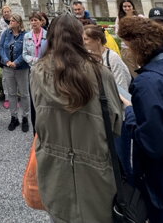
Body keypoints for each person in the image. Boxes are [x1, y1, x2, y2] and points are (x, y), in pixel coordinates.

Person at [30, 14, 123, 223]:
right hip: (95, 166)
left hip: (53, 165)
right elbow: (117, 122)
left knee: (59, 215)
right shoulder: (100, 72)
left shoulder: (38, 71)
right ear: (79, 37)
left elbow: (36, 116)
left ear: (51, 37)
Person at [118, 16, 163, 223]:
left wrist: (131, 112)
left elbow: (153, 143)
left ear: (139, 46)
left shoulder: (147, 83)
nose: (126, 52)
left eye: (127, 46)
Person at [0, 14, 30, 132]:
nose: (10, 22)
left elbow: (26, 50)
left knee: (24, 93)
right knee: (11, 93)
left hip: (21, 67)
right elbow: (1, 48)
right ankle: (14, 117)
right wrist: (7, 61)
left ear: (18, 22)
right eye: (10, 20)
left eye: (13, 20)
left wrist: (16, 62)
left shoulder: (25, 35)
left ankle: (25, 117)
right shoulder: (6, 33)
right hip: (8, 67)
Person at [83, 25, 131, 92]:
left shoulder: (112, 58)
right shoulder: (87, 57)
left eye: (86, 39)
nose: (83, 42)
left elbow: (122, 86)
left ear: (98, 40)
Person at [22, 12, 48, 133]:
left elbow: (50, 54)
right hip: (32, 71)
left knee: (45, 98)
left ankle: (46, 127)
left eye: (36, 20)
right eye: (31, 20)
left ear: (41, 21)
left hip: (45, 71)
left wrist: (41, 62)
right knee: (33, 99)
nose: (33, 22)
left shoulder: (48, 36)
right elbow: (24, 54)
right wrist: (34, 61)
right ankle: (35, 130)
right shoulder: (27, 36)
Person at [115, 0, 143, 78]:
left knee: (142, 67)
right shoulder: (120, 18)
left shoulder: (139, 17)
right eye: (124, 6)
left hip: (139, 47)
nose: (127, 8)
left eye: (129, 6)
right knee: (132, 70)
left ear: (132, 6)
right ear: (121, 8)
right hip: (126, 48)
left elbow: (145, 30)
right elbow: (118, 33)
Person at [0, 5, 12, 109]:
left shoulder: (15, 22)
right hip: (4, 53)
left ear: (11, 12)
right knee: (5, 77)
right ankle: (7, 97)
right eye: (4, 12)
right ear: (2, 13)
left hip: (14, 53)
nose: (6, 13)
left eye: (8, 11)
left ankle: (14, 97)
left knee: (15, 76)